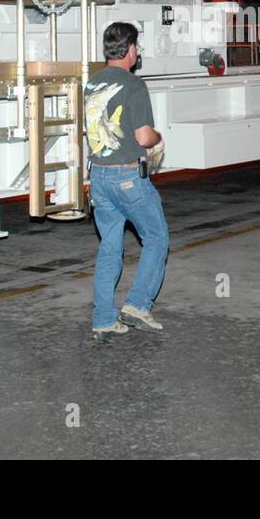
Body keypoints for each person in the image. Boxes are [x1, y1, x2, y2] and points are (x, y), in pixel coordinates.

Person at [84, 22, 169, 340]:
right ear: (131, 49)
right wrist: (158, 137)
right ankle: (137, 304)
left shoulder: (91, 84)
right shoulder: (134, 85)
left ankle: (104, 318)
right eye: (137, 47)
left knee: (109, 248)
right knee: (157, 239)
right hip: (127, 177)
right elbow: (144, 136)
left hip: (100, 177)